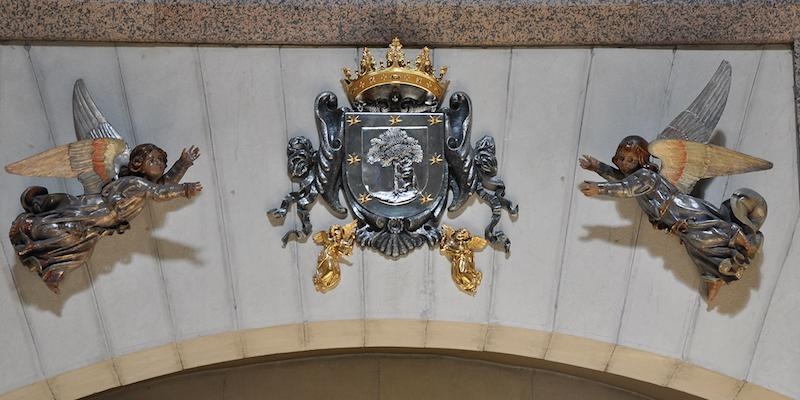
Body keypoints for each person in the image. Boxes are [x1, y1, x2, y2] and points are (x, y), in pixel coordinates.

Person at [579, 136, 764, 301]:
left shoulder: (645, 176)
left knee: (703, 236)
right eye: (620, 158)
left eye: (630, 159)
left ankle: (740, 238)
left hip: (681, 208)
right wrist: (597, 167)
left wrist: (599, 188)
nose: (624, 163)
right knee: (697, 249)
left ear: (641, 160)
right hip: (672, 220)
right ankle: (713, 277)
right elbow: (621, 180)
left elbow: (625, 188)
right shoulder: (635, 177)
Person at [9, 143, 202, 293]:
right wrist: (184, 189)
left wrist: (183, 163)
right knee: (63, 220)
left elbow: (166, 183)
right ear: (137, 165)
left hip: (103, 224)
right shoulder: (135, 182)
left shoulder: (146, 186)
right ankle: (29, 225)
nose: (159, 163)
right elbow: (160, 192)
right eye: (153, 160)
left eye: (161, 160)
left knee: (80, 250)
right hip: (95, 211)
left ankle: (50, 269)